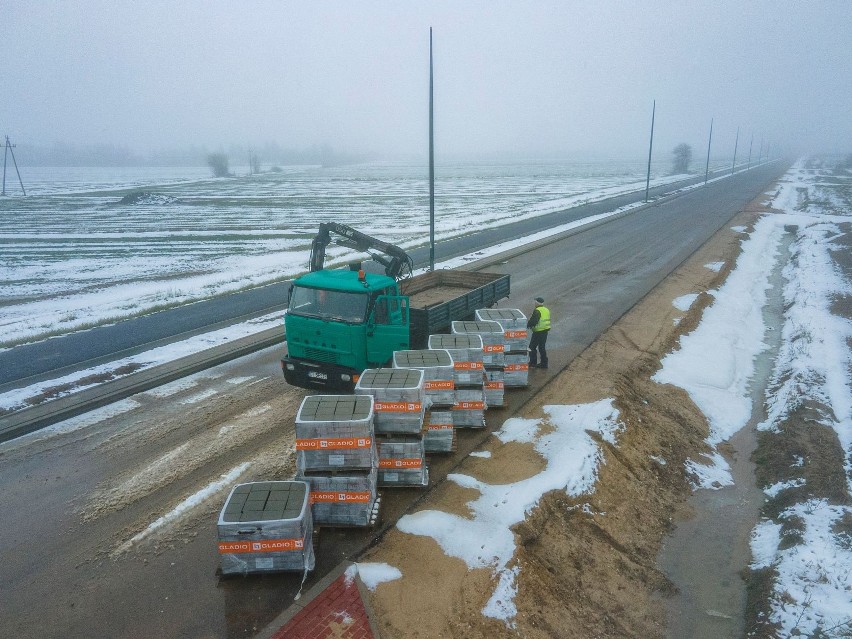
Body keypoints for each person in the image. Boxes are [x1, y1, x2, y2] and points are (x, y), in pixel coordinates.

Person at [527, 296, 551, 369]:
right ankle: (544, 364)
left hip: (538, 332)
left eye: (535, 302)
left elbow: (534, 321)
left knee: (532, 347)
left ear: (537, 303)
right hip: (545, 331)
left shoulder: (537, 310)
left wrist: (527, 325)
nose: (534, 303)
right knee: (542, 347)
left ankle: (533, 363)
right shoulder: (546, 309)